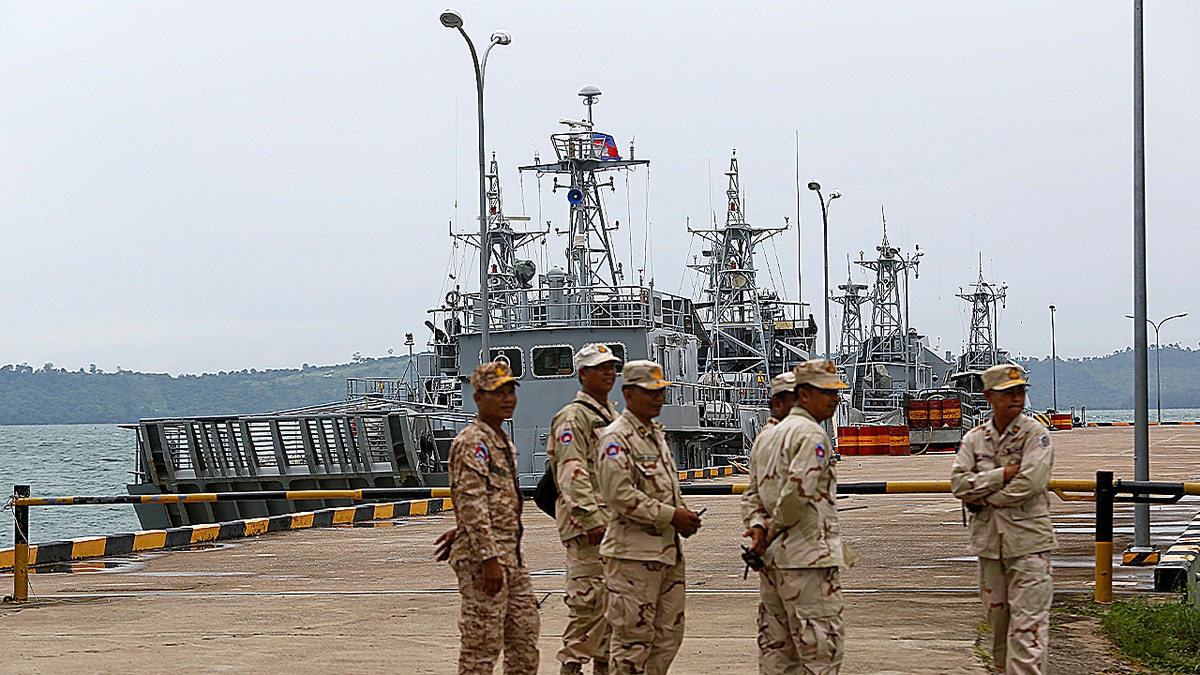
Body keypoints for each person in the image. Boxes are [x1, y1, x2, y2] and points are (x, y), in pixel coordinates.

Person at [741, 359, 857, 674]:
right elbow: (798, 493)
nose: (835, 398)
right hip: (806, 560)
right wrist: (771, 529)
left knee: (778, 653)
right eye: (827, 392)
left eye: (836, 392)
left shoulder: (767, 436)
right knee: (821, 653)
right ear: (803, 395)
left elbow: (751, 494)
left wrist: (757, 528)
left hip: (773, 562)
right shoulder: (812, 435)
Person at [594, 360, 702, 675]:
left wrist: (683, 516)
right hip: (632, 560)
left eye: (661, 391)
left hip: (665, 555)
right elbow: (620, 496)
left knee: (667, 638)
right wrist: (672, 515)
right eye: (650, 392)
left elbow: (662, 487)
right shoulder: (616, 439)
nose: (659, 398)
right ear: (628, 394)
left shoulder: (654, 434)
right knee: (632, 644)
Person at [951, 363, 1056, 675]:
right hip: (989, 547)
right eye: (1008, 393)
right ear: (988, 397)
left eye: (1020, 391)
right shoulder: (974, 439)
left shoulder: (1035, 435)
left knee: (1028, 632)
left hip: (1028, 547)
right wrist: (1004, 473)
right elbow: (958, 483)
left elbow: (1031, 482)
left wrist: (985, 497)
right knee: (998, 632)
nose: (1016, 398)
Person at [446, 361, 540, 674]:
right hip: (484, 561)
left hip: (509, 556)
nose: (507, 398)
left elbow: (482, 500)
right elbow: (472, 500)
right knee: (481, 648)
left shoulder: (502, 441)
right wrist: (487, 557)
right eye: (497, 392)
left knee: (525, 641)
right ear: (478, 397)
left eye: (511, 390)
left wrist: (462, 528)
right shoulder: (473, 442)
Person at [547, 344, 621, 675]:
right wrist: (590, 518)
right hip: (590, 529)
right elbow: (571, 472)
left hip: (615, 527)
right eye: (600, 367)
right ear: (582, 374)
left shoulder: (612, 417)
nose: (609, 372)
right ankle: (571, 669)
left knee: (613, 610)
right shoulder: (573, 418)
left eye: (612, 366)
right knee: (588, 606)